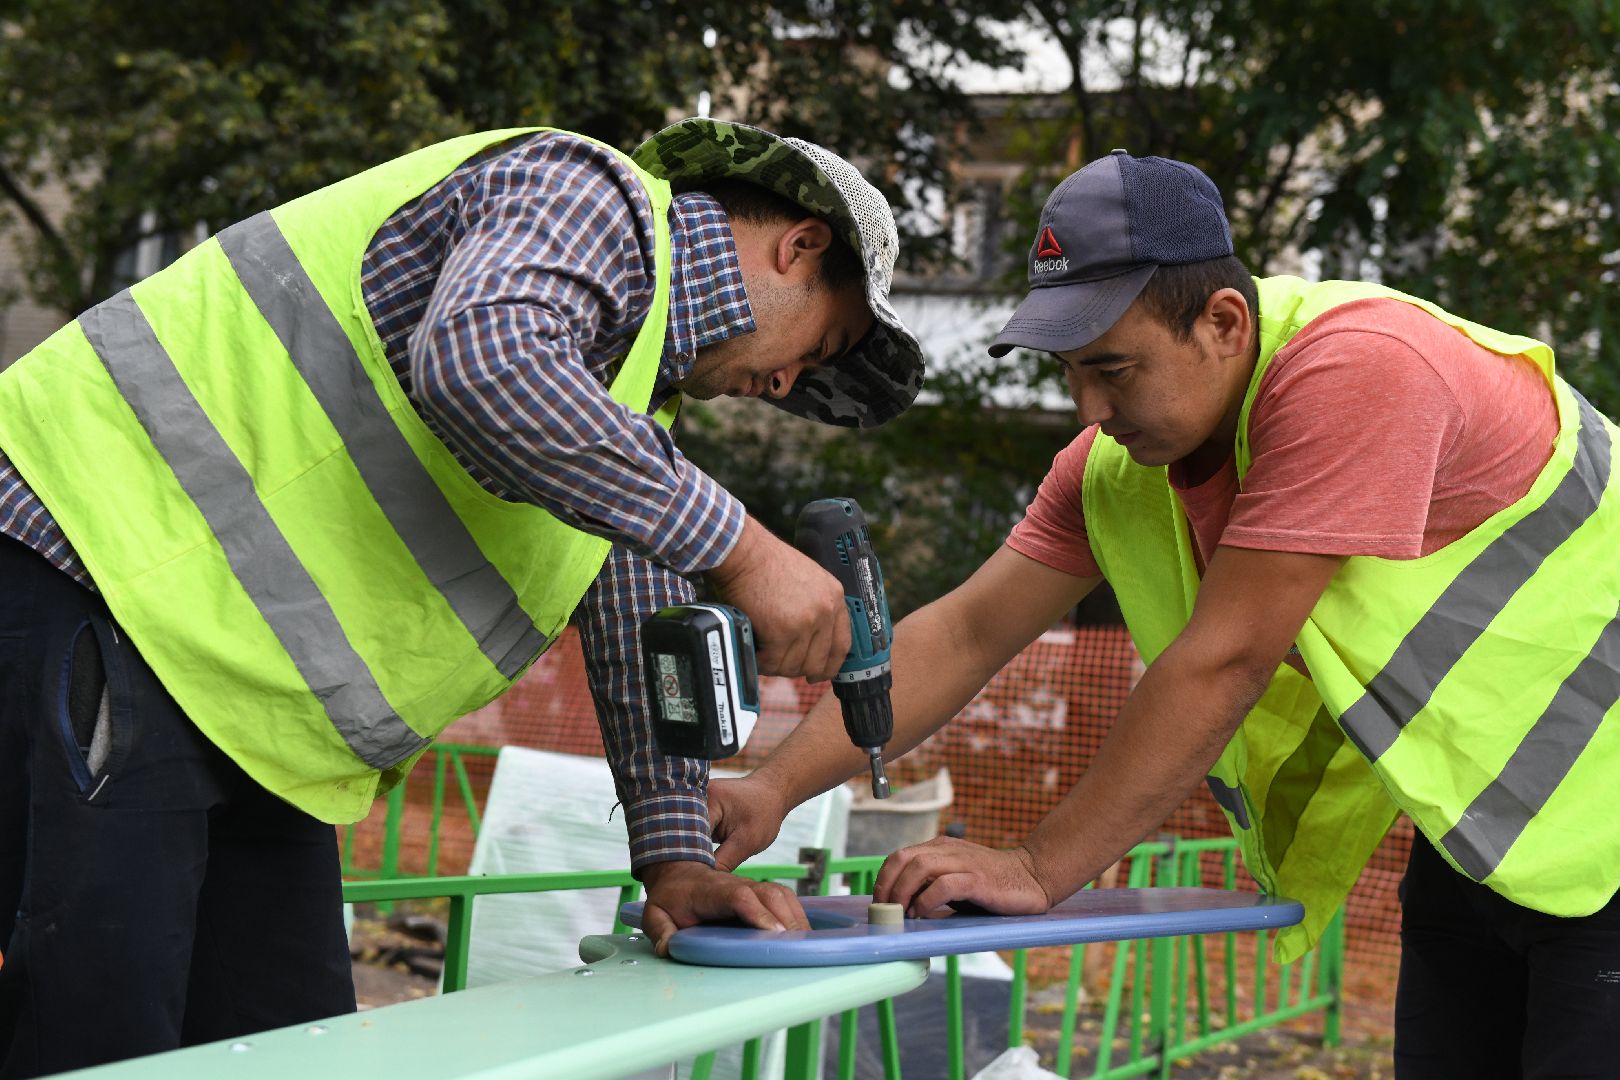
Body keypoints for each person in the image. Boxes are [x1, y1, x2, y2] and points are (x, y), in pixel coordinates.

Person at [0, 117, 925, 1076]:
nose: (784, 383)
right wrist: (745, 550)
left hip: (229, 696)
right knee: (95, 1038)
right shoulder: (588, 193)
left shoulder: (620, 412)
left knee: (289, 1047)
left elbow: (633, 626)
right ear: (800, 245)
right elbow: (487, 362)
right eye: (821, 347)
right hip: (93, 571)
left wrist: (677, 860)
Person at [708, 150, 1620, 1075]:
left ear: (1224, 321)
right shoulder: (1119, 467)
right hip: (1491, 838)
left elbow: (1224, 662)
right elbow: (967, 632)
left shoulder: (1361, 367)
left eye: (1114, 368)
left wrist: (1035, 868)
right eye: (1071, 372)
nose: (1091, 408)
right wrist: (768, 791)